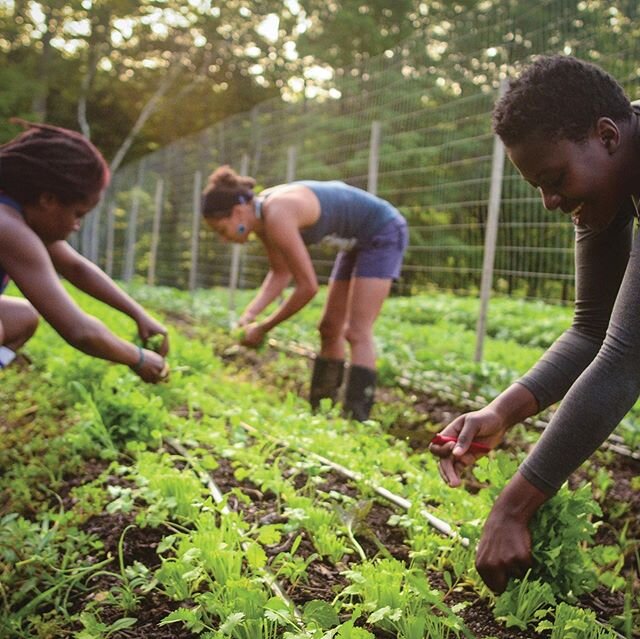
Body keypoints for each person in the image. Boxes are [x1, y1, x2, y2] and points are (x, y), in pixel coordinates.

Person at [430, 54, 640, 594]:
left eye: (555, 179)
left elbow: (625, 358)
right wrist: (502, 411)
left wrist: (514, 506)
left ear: (607, 136)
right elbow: (593, 330)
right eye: (538, 188)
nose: (550, 202)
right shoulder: (606, 182)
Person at [201, 166, 408, 420]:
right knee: (329, 328)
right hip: (354, 241)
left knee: (357, 331)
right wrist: (250, 315)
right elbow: (280, 273)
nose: (225, 240)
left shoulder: (277, 214)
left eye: (223, 230)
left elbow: (308, 287)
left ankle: (356, 419)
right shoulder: (262, 218)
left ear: (238, 211)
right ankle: (321, 413)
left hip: (382, 230)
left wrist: (263, 327)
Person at [0, 119, 169, 382]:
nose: (77, 226)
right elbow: (79, 330)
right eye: (77, 214)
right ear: (48, 200)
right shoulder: (7, 227)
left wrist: (139, 314)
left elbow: (76, 268)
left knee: (21, 317)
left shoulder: (16, 214)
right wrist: (138, 357)